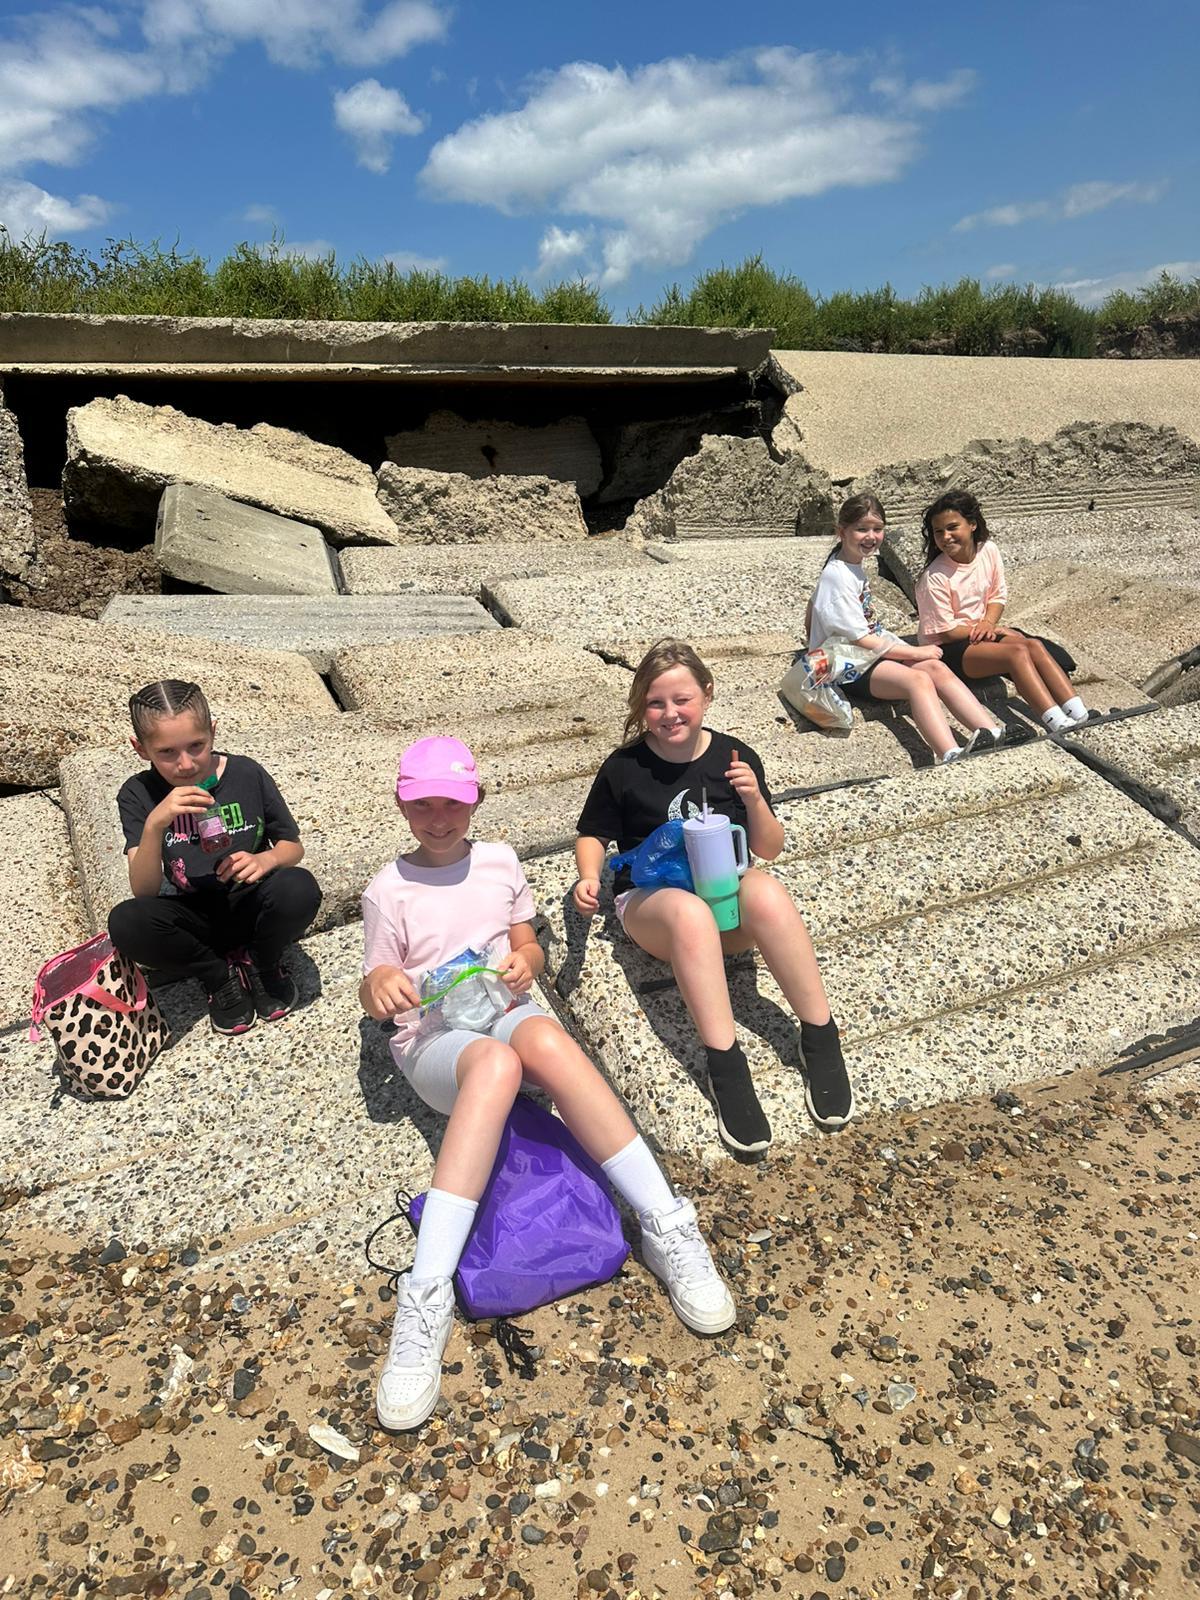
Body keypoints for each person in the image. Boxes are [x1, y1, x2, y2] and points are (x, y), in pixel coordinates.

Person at [361, 735, 735, 1432]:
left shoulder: (500, 861)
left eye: (452, 804)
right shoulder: (388, 890)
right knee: (497, 1065)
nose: (439, 819)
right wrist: (382, 983)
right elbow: (373, 984)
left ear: (475, 800)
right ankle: (426, 1292)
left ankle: (666, 1221)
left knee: (548, 1042)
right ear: (402, 805)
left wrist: (526, 963)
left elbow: (526, 941)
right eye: (424, 805)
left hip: (503, 1009)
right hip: (436, 1039)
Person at [573, 639, 854, 1158]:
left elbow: (768, 848)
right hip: (655, 907)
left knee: (767, 891)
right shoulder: (624, 767)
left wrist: (753, 797)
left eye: (682, 699)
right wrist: (588, 876)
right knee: (689, 913)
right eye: (656, 703)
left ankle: (819, 1035)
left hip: (724, 901)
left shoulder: (734, 757)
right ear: (641, 707)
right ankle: (726, 1066)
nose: (670, 713)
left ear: (706, 693)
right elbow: (592, 833)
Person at [108, 679, 321, 1035]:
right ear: (141, 749)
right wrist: (155, 824)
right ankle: (217, 976)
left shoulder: (246, 773)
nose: (186, 763)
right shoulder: (138, 793)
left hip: (252, 901)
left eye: (196, 746)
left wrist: (265, 860)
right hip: (195, 916)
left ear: (213, 732)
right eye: (167, 752)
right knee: (126, 922)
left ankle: (263, 961)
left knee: (300, 887)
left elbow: (292, 847)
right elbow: (144, 891)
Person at [807, 493, 1009, 762]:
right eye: (862, 529)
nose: (871, 537)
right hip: (846, 666)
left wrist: (813, 637)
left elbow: (812, 608)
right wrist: (916, 652)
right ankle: (949, 752)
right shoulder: (837, 575)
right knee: (918, 679)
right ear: (842, 532)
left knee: (936, 668)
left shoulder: (848, 566)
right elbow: (860, 640)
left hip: (864, 657)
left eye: (877, 529)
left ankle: (991, 732)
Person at [915, 490, 1089, 734]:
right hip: (946, 649)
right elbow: (947, 631)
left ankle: (1079, 713)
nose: (945, 537)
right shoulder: (934, 577)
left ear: (972, 524)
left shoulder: (988, 551)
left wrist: (989, 623)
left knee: (1033, 645)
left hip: (978, 635)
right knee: (1016, 652)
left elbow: (997, 596)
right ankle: (1055, 721)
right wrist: (994, 630)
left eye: (952, 527)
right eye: (938, 531)